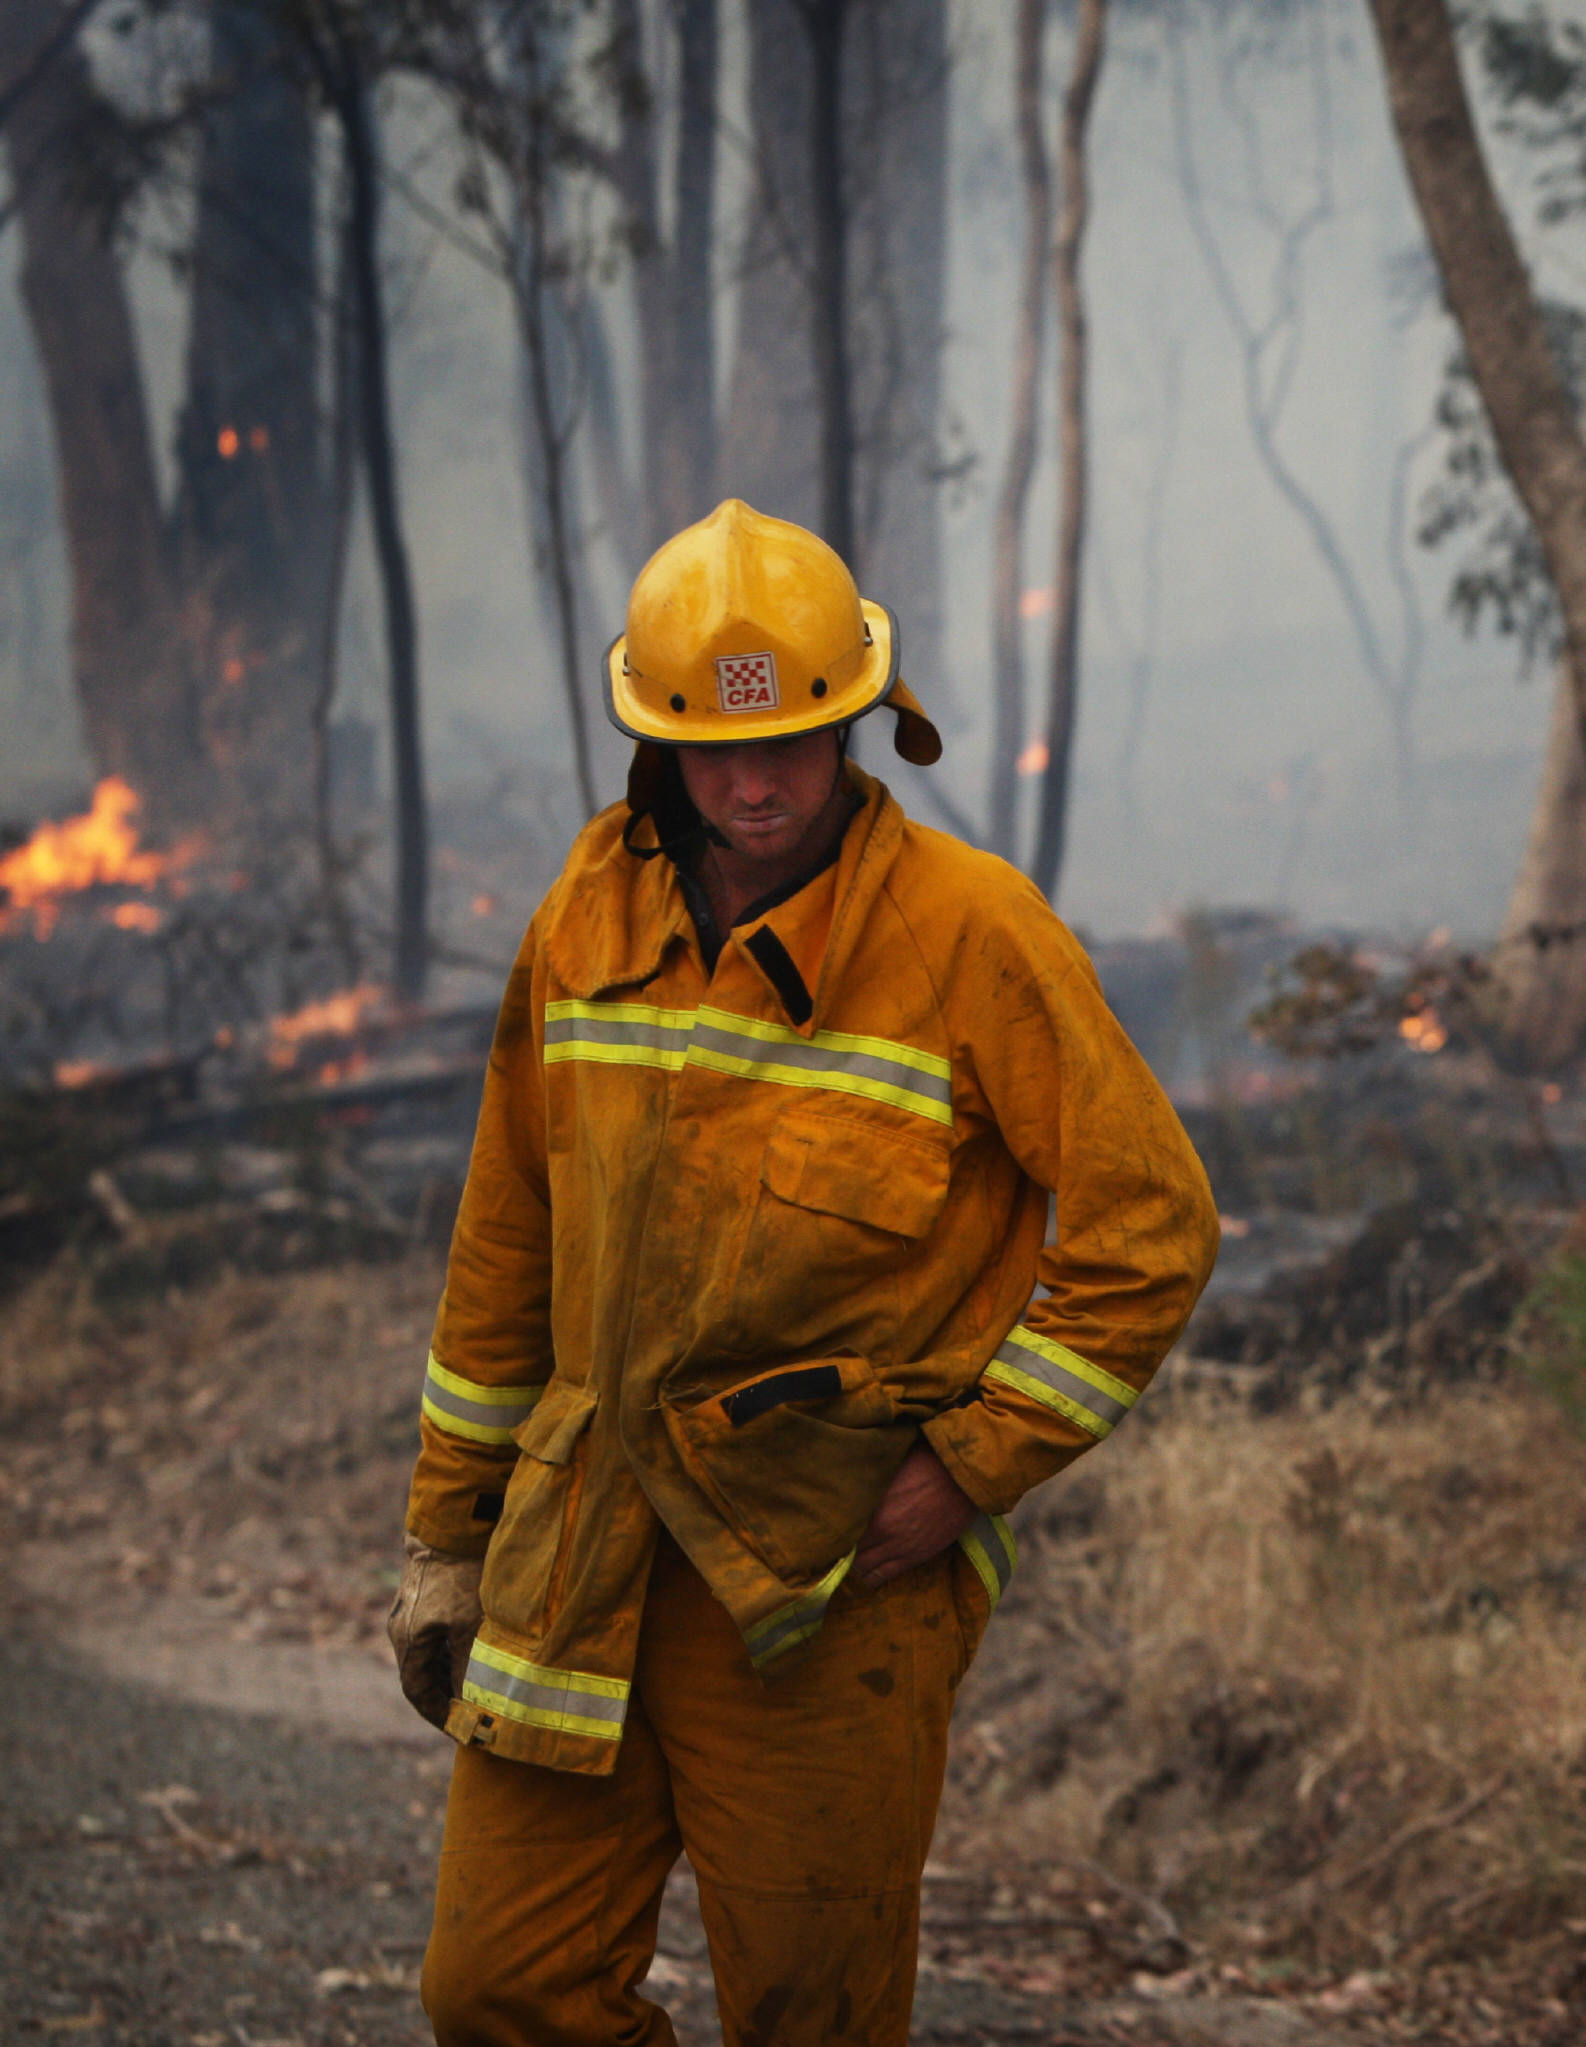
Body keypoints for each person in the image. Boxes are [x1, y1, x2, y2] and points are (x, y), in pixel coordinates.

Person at [385, 500, 1218, 2045]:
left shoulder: (975, 936)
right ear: (657, 747)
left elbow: (1148, 1229)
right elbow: (506, 1244)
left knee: (811, 2018)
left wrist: (968, 1468)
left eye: (801, 739)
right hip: (581, 1552)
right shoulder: (586, 915)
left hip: (831, 1583)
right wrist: (447, 1530)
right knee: (497, 1992)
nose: (759, 781)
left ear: (862, 721)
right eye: (716, 749)